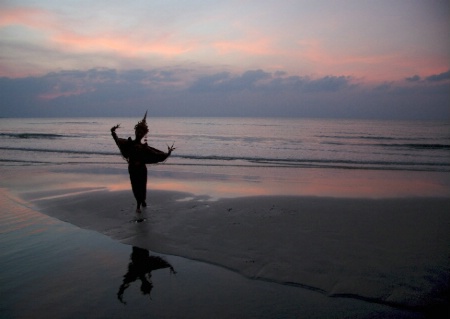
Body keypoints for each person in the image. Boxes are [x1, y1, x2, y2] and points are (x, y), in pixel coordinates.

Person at [111, 112, 175, 213]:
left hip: (141, 169)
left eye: (142, 132)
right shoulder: (129, 144)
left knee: (142, 185)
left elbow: (156, 154)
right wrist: (113, 132)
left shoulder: (145, 148)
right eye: (138, 131)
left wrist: (167, 154)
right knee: (135, 186)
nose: (140, 133)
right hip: (132, 168)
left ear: (144, 134)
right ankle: (138, 204)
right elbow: (118, 141)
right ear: (135, 131)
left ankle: (142, 200)